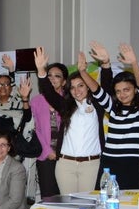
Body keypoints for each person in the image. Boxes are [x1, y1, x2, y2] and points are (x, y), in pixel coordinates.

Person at [80, 41, 139, 189]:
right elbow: (97, 91)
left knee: (131, 206)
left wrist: (134, 63)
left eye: (126, 90)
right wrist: (83, 71)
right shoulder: (113, 109)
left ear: (135, 90)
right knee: (103, 204)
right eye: (118, 91)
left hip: (131, 165)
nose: (122, 94)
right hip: (108, 164)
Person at [36, 48, 105, 194]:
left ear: (88, 86)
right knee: (68, 207)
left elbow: (106, 89)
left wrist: (104, 64)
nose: (76, 90)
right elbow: (49, 93)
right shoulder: (66, 106)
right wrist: (41, 70)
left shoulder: (97, 105)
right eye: (72, 87)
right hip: (65, 165)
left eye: (80, 85)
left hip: (90, 165)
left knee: (87, 206)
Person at [31, 61, 67, 199]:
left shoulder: (69, 100)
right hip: (46, 155)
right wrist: (48, 151)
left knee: (67, 196)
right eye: (49, 75)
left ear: (64, 82)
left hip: (66, 156)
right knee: (49, 197)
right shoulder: (36, 101)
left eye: (57, 76)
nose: (52, 79)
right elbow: (35, 129)